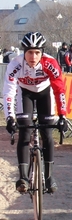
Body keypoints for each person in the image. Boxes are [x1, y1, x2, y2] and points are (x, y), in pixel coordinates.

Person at [3, 32, 67, 194]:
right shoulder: (15, 64)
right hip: (25, 94)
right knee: (24, 132)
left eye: (37, 52)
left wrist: (62, 116)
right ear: (23, 52)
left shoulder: (50, 63)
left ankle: (50, 177)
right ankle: (23, 178)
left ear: (42, 52)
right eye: (30, 52)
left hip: (45, 93)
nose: (33, 56)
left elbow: (59, 90)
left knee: (47, 133)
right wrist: (9, 118)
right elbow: (9, 93)